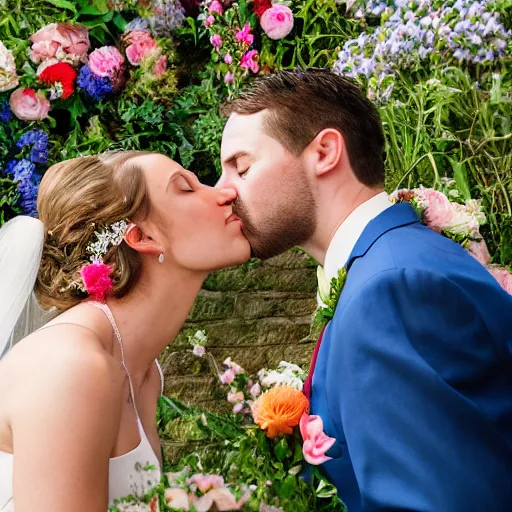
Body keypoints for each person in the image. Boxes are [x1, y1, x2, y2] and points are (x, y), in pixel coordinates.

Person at [217, 68, 512, 511]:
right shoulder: (393, 261)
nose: (223, 192)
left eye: (241, 167)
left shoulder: (389, 288)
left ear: (325, 151)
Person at [0, 151, 249, 511]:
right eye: (186, 188)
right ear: (143, 237)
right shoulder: (72, 367)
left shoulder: (145, 373)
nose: (225, 193)